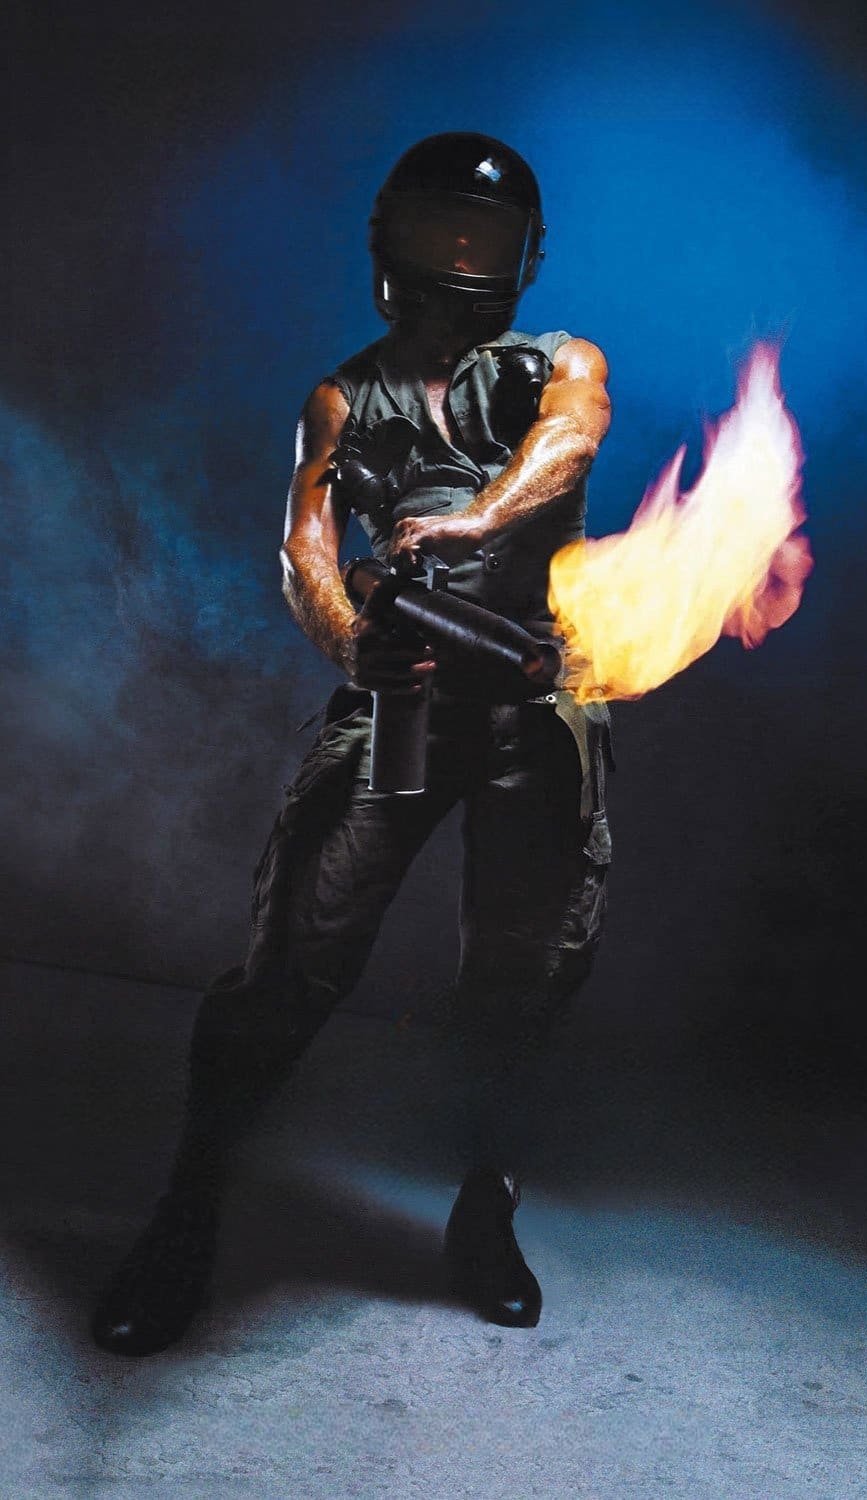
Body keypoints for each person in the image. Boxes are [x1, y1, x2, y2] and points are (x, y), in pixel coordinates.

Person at [91, 132, 616, 1356]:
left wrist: (474, 519)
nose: (455, 261)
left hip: (533, 707)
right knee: (291, 965)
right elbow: (304, 549)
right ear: (388, 243)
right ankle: (186, 1216)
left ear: (522, 258)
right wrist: (348, 645)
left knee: (524, 983)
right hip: (405, 701)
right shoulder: (342, 396)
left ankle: (483, 1215)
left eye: (480, 241)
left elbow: (573, 439)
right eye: (437, 233)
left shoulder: (560, 363)